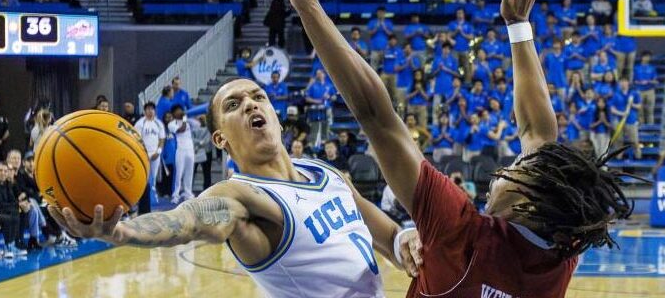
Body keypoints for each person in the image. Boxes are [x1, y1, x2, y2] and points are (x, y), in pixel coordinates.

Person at [290, 0, 632, 296]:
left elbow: (376, 117)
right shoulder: (559, 253)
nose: (504, 169)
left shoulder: (460, 233)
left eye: (516, 170)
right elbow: (539, 135)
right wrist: (518, 25)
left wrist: (307, 7)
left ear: (530, 207)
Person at [51, 77, 423, 296]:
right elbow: (188, 220)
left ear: (275, 117)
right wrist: (122, 231)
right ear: (220, 139)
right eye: (234, 104)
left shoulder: (325, 173)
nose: (249, 104)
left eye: (257, 97)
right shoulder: (239, 197)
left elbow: (380, 229)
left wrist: (402, 240)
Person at [134, 102, 166, 214]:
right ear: (144, 111)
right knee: (144, 178)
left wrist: (158, 151)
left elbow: (162, 139)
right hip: (143, 154)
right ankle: (141, 200)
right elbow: (136, 139)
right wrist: (143, 153)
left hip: (155, 154)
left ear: (154, 111)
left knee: (154, 177)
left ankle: (153, 199)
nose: (150, 111)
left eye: (152, 109)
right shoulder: (140, 123)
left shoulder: (159, 123)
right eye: (148, 109)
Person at [167, 105, 198, 204]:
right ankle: (175, 195)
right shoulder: (171, 124)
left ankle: (188, 193)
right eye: (178, 110)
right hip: (180, 150)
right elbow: (181, 130)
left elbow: (199, 124)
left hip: (190, 150)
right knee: (179, 174)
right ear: (173, 113)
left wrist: (194, 117)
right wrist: (185, 119)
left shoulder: (188, 121)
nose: (180, 111)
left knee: (189, 172)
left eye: (181, 110)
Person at [633, 51, 658, 125]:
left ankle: (651, 127)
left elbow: (655, 81)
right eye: (646, 56)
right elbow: (633, 80)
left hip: (650, 90)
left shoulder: (652, 68)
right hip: (640, 91)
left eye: (649, 57)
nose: (647, 58)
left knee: (650, 110)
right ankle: (641, 126)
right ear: (642, 57)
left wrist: (648, 81)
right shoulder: (636, 68)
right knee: (640, 110)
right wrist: (639, 82)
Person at [192, 115, 212, 191]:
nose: (202, 120)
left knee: (206, 173)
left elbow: (208, 139)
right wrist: (200, 143)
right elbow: (191, 138)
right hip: (195, 151)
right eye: (200, 118)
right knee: (193, 172)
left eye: (204, 118)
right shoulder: (193, 128)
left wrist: (198, 143)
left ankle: (207, 190)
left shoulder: (209, 128)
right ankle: (189, 190)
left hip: (206, 151)